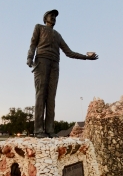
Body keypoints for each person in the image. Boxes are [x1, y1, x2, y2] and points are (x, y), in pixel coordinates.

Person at [27, 9, 98, 138]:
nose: (53, 17)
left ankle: (49, 129)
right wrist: (29, 58)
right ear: (45, 18)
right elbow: (33, 44)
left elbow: (69, 52)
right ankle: (38, 130)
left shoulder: (58, 35)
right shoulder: (39, 27)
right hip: (42, 61)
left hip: (55, 64)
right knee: (41, 94)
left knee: (51, 97)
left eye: (55, 16)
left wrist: (86, 57)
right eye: (51, 15)